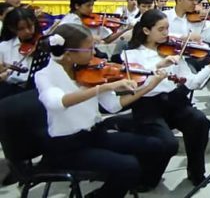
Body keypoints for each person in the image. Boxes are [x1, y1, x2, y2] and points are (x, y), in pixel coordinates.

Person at [35, 23, 169, 196]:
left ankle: (123, 185)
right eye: (89, 49)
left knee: (155, 145)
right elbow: (57, 103)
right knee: (128, 166)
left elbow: (113, 106)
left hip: (95, 134)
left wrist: (149, 87)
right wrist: (103, 88)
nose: (95, 53)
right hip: (68, 146)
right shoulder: (44, 76)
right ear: (68, 55)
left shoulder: (89, 72)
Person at [124, 9, 210, 187]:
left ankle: (196, 172)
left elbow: (192, 82)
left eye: (167, 28)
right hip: (148, 106)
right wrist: (159, 64)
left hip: (174, 101)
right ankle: (148, 178)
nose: (166, 33)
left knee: (200, 121)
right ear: (146, 31)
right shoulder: (131, 55)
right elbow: (138, 82)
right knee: (168, 144)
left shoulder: (173, 51)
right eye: (161, 29)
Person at [0, 7, 41, 99]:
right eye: (21, 29)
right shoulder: (3, 47)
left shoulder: (42, 43)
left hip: (37, 89)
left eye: (30, 26)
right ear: (12, 29)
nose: (27, 31)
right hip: (11, 92)